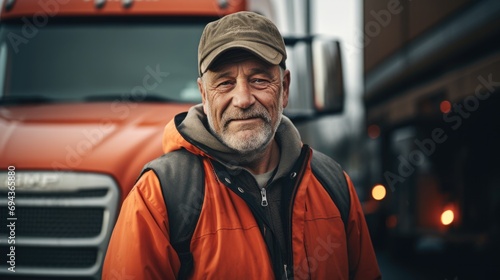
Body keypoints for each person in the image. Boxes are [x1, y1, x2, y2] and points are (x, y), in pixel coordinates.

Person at [102, 11, 381, 280]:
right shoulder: (157, 197)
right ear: (204, 94)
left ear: (284, 88)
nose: (243, 99)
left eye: (259, 80)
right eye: (224, 83)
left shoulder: (334, 184)